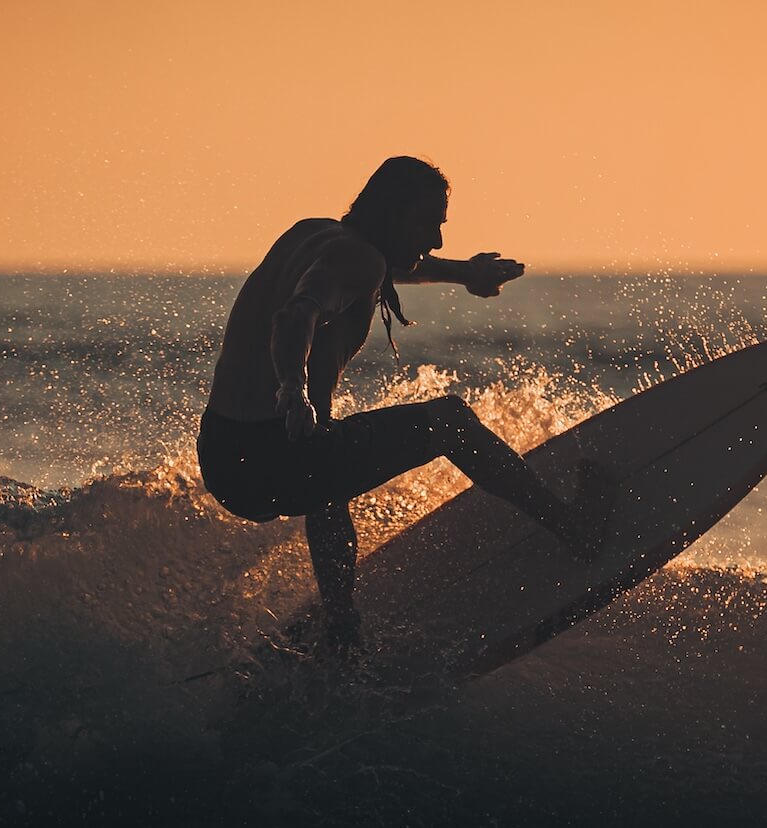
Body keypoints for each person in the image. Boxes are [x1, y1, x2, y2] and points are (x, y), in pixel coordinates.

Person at [198, 157, 613, 651]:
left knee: (328, 471)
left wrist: (464, 273)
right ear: (391, 214)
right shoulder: (359, 260)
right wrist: (293, 388)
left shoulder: (315, 234)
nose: (435, 240)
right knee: (450, 421)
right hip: (275, 454)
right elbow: (296, 315)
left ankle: (341, 627)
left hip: (224, 454)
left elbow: (383, 267)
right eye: (427, 223)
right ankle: (576, 528)